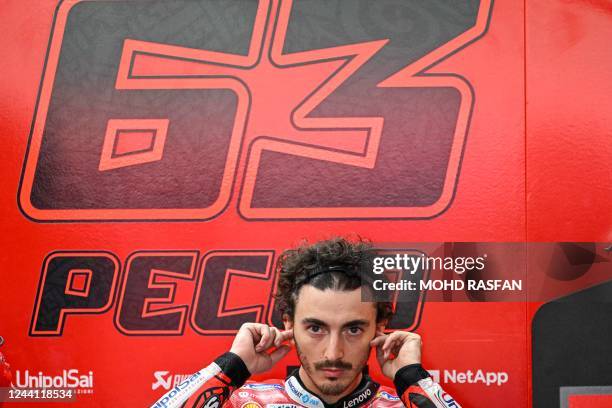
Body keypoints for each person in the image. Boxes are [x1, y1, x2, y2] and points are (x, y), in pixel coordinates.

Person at [151, 237, 460, 408]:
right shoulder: (241, 403)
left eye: (353, 329)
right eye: (316, 328)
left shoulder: (403, 406)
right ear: (289, 325)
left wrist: (414, 381)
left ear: (380, 328)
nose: (333, 352)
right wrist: (230, 368)